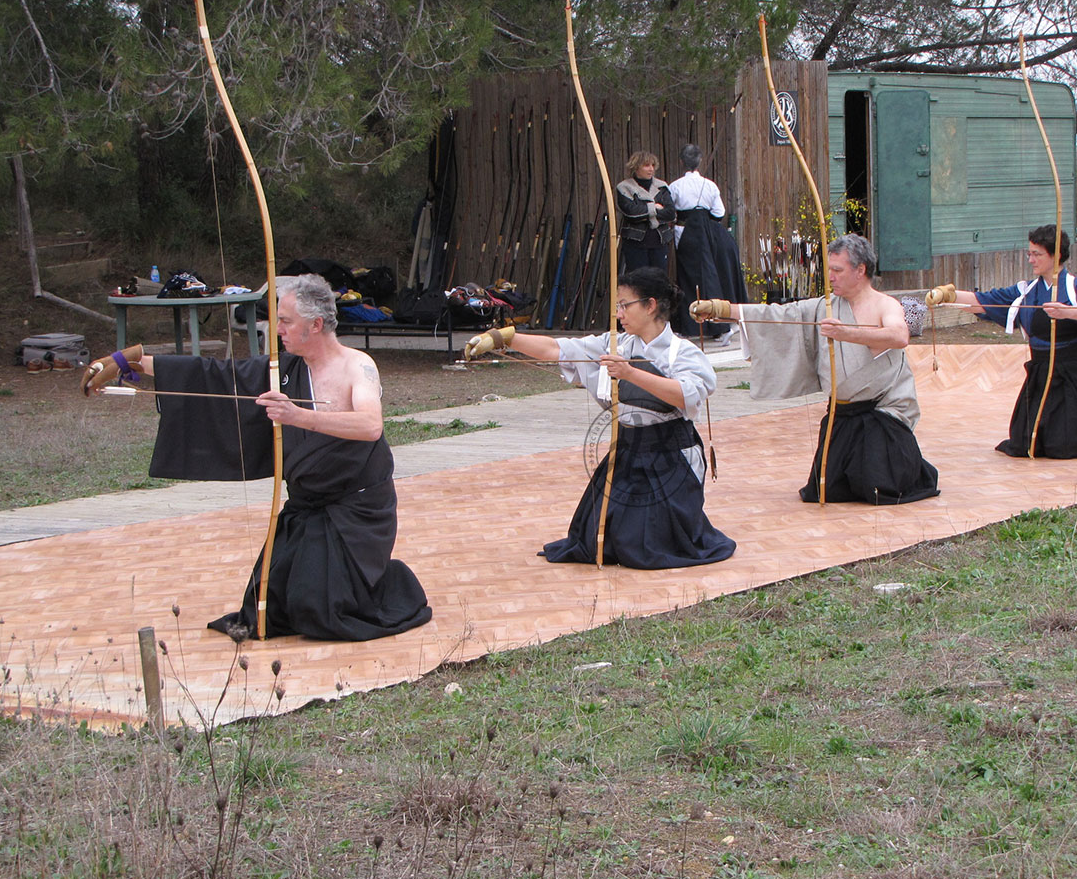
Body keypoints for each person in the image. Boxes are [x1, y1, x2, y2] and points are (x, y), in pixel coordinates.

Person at [81, 275, 433, 642]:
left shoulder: (357, 366)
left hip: (357, 511)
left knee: (325, 611)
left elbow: (371, 425)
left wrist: (297, 415)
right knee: (267, 607)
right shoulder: (285, 370)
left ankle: (394, 583)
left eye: (286, 321)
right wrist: (132, 362)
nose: (277, 329)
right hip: (308, 508)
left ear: (315, 325)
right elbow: (219, 377)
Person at [464, 267, 735, 569]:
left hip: (671, 455)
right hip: (628, 450)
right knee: (595, 536)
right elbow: (558, 349)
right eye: (618, 306)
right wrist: (503, 338)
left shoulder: (682, 353)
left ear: (650, 305)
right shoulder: (615, 343)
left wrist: (630, 373)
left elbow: (686, 394)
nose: (619, 314)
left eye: (625, 305)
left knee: (646, 541)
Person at [691, 233, 939, 505]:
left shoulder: (885, 304)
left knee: (880, 486)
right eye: (829, 270)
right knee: (825, 490)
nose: (830, 277)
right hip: (843, 415)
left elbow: (899, 336)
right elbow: (778, 315)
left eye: (838, 270)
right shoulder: (826, 306)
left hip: (884, 413)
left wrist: (847, 333)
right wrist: (721, 309)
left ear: (860, 270)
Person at [926, 225, 1077, 458]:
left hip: (1075, 376)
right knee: (1025, 442)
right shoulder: (1026, 291)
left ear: (1056, 255)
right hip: (1041, 373)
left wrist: (1068, 312)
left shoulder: (1076, 288)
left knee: (1066, 443)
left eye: (1037, 254)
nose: (1031, 259)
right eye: (1029, 253)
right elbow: (984, 301)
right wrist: (948, 295)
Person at [668, 143, 749, 344]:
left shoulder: (675, 186)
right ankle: (717, 326)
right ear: (700, 161)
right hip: (706, 232)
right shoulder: (710, 185)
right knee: (710, 275)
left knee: (687, 277)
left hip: (684, 232)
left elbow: (670, 212)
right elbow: (719, 212)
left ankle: (688, 327)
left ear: (681, 162)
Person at [616, 152, 676, 273]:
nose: (651, 169)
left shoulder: (662, 187)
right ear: (636, 167)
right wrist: (654, 208)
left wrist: (645, 212)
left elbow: (670, 213)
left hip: (659, 242)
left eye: (653, 165)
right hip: (635, 243)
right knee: (638, 280)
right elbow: (631, 213)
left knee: (659, 280)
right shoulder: (624, 187)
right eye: (646, 165)